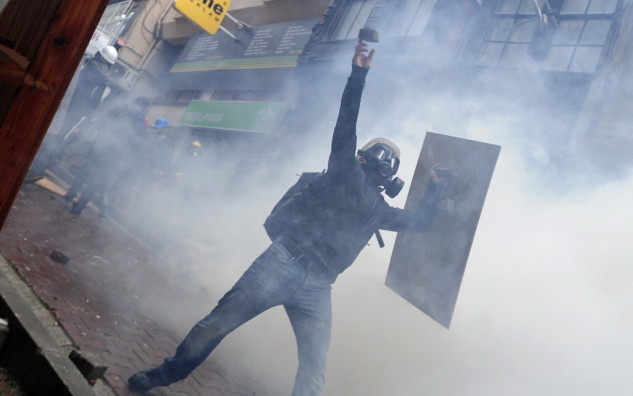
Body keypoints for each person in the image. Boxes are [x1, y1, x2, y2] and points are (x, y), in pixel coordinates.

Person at [127, 42, 450, 395]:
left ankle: (162, 376)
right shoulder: (359, 188)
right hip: (299, 273)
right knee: (306, 367)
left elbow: (347, 129)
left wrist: (359, 74)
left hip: (306, 277)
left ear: (363, 158)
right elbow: (420, 221)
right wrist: (435, 190)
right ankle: (163, 375)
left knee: (220, 326)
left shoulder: (364, 192)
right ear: (389, 175)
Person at [63, 96, 149, 217]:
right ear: (144, 108)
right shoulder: (141, 120)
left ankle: (70, 194)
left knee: (85, 170)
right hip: (114, 155)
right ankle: (78, 208)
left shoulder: (120, 107)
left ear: (135, 101)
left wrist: (102, 136)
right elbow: (138, 143)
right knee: (96, 180)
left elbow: (102, 121)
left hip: (100, 145)